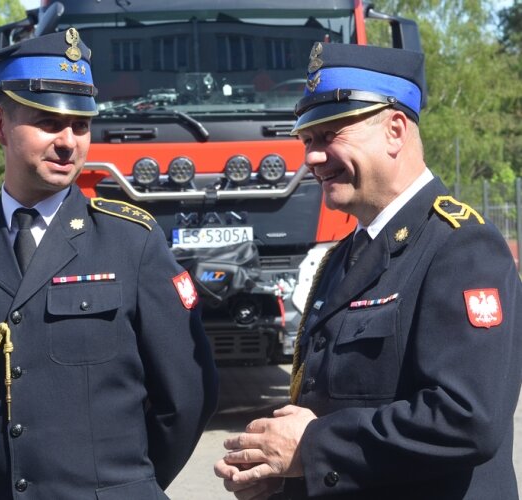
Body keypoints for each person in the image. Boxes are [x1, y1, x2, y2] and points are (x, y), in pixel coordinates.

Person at [0, 28, 218, 499]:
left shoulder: (130, 241)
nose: (68, 142)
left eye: (81, 125)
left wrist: (124, 482)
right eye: (48, 123)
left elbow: (187, 393)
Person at [214, 42, 522, 499]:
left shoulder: (461, 246)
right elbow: (336, 399)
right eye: (307, 141)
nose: (312, 158)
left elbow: (466, 418)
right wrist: (278, 465)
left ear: (395, 130)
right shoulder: (346, 255)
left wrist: (312, 449)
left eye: (330, 134)